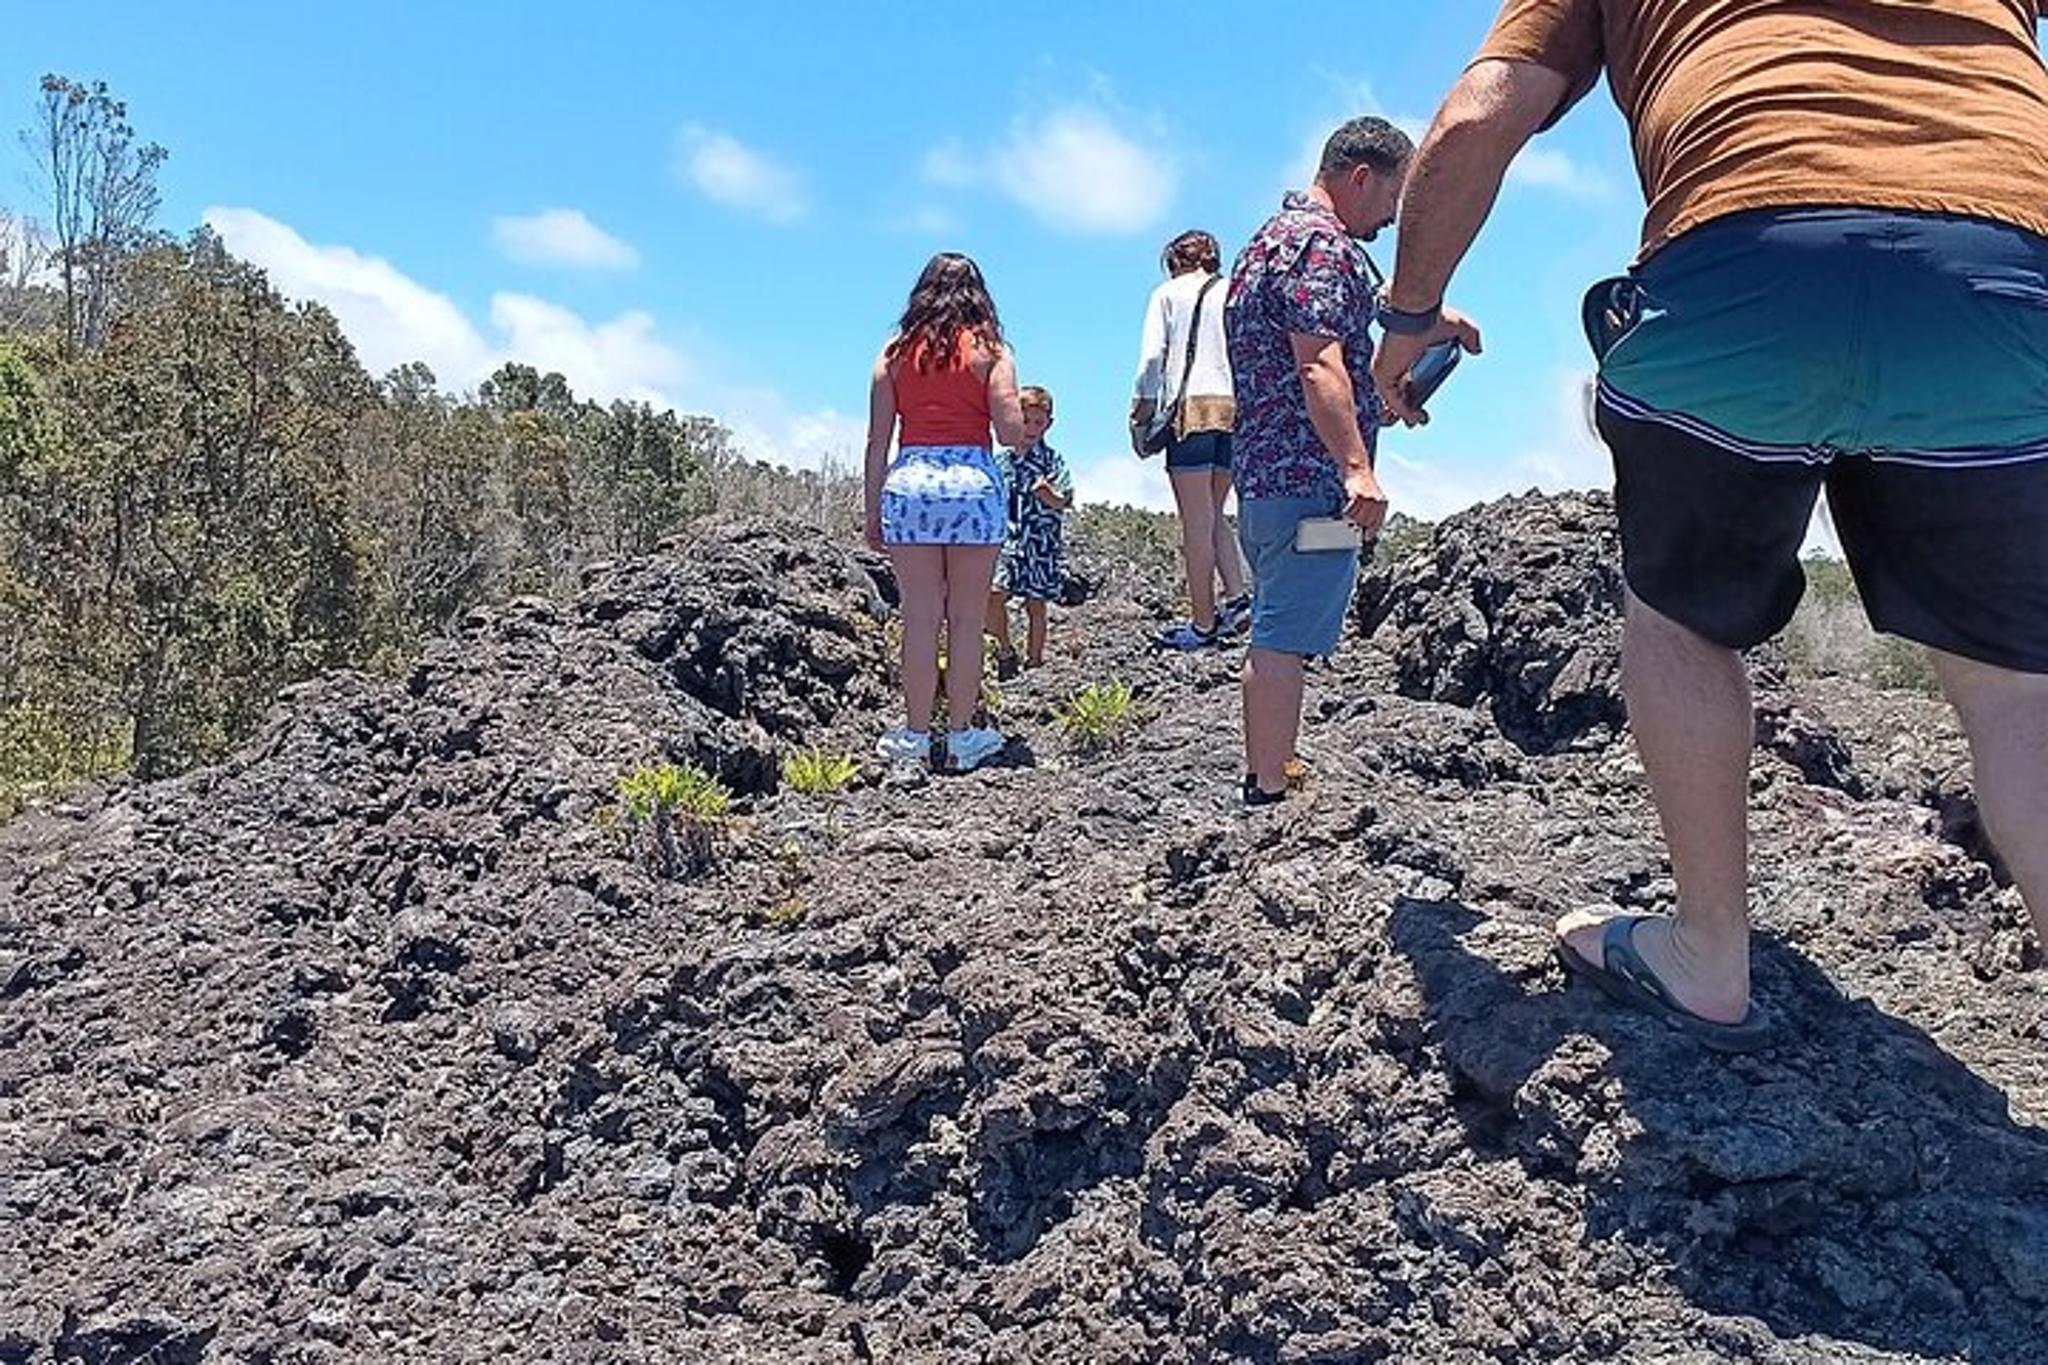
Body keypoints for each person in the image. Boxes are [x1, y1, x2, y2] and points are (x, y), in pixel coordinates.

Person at [1372, 0, 2048, 1050]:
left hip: (1744, 248)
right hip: (2003, 270)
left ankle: (1705, 955)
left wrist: (1408, 316)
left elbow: (1477, 117)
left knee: (1679, 618)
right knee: (2015, 684)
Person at [1227, 117, 1481, 807]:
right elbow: (1318, 365)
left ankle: (1272, 765)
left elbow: (1348, 334)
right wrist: (1355, 467)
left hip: (1265, 478)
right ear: (1360, 176)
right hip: (1309, 482)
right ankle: (1269, 782)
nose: (1393, 219)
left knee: (1286, 614)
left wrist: (1433, 330)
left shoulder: (1273, 242)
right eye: (1392, 200)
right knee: (1284, 627)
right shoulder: (1320, 245)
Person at [864, 252, 1029, 773]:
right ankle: (961, 736)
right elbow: (1009, 432)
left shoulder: (892, 354)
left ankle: (914, 734)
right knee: (965, 618)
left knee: (918, 618)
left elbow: (876, 442)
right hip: (972, 488)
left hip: (910, 487)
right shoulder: (993, 352)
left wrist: (873, 513)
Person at [1131, 229, 1251, 649]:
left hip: (1191, 412)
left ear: (1176, 260)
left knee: (1194, 522)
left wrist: (1141, 413)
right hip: (1234, 412)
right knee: (1216, 511)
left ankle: (1202, 623)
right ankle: (1237, 600)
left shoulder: (1168, 294)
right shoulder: (1235, 291)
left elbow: (1152, 359)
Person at [988, 386, 1074, 672]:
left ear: (1049, 424)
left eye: (1039, 422)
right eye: (1026, 420)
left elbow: (1065, 498)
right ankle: (1004, 650)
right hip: (1006, 542)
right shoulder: (1001, 461)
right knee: (994, 594)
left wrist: (1049, 494)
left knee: (1036, 604)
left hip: (1041, 543)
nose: (1032, 428)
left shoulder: (1053, 461)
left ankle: (1035, 661)